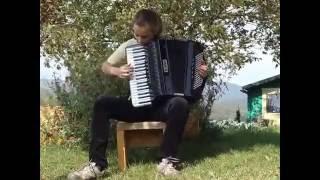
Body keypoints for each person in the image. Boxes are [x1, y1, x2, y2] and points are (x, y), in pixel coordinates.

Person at [68, 9, 208, 180]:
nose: (139, 40)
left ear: (155, 34)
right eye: (136, 35)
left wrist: (200, 75)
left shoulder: (169, 48)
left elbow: (193, 81)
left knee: (180, 103)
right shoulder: (129, 46)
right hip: (135, 106)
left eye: (145, 37)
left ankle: (167, 161)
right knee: (102, 103)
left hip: (161, 107)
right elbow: (105, 66)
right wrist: (117, 70)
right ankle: (96, 165)